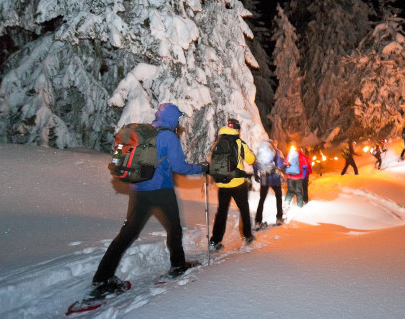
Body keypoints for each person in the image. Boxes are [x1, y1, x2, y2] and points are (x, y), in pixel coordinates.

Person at [91, 103, 207, 296]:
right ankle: (178, 266)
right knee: (174, 228)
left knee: (127, 233)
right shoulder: (169, 136)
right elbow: (180, 166)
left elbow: (120, 152)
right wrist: (201, 168)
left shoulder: (143, 132)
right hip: (162, 190)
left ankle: (102, 279)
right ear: (172, 119)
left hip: (138, 190)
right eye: (177, 119)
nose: (178, 122)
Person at [209, 118, 256, 252]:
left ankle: (215, 240)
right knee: (244, 209)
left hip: (222, 184)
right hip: (237, 183)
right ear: (237, 130)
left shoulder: (217, 142)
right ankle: (247, 236)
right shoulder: (238, 142)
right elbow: (251, 159)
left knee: (222, 212)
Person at [253, 139, 286, 228]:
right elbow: (281, 165)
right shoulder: (277, 151)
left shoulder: (261, 151)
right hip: (274, 178)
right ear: (274, 144)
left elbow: (256, 165)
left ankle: (257, 222)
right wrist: (285, 165)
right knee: (278, 197)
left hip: (264, 177)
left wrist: (256, 174)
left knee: (262, 199)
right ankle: (279, 218)